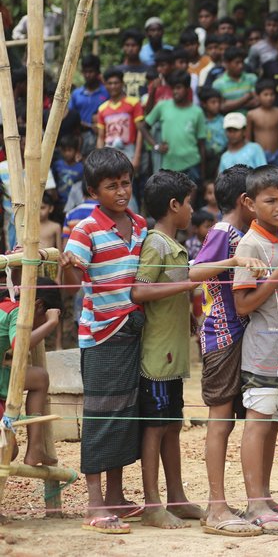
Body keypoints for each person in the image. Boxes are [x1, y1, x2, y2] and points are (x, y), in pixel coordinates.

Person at [61, 148, 148, 534]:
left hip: (133, 330)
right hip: (100, 333)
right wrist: (66, 269)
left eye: (125, 183)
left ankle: (116, 496)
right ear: (94, 191)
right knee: (100, 415)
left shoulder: (141, 224)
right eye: (111, 186)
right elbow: (70, 287)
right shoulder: (86, 229)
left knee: (126, 413)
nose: (121, 191)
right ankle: (94, 503)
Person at [187, 165, 264, 537]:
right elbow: (195, 273)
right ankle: (216, 506)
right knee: (219, 420)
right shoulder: (222, 232)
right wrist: (233, 261)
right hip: (221, 335)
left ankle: (249, 501)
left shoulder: (244, 232)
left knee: (233, 418)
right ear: (245, 201)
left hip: (241, 333)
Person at [231, 166, 278, 535]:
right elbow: (244, 305)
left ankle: (265, 495)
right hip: (261, 351)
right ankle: (255, 503)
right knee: (258, 425)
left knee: (274, 425)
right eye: (270, 200)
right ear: (250, 203)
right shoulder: (251, 244)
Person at [130, 170, 204, 529]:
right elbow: (140, 291)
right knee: (156, 427)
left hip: (173, 351)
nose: (193, 210)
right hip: (158, 354)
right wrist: (185, 286)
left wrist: (189, 312)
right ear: (174, 206)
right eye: (189, 203)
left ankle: (176, 497)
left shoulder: (175, 246)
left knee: (172, 424)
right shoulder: (156, 244)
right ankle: (152, 502)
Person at [0, 278, 61, 466]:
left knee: (39, 378)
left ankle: (35, 449)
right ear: (39, 305)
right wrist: (51, 323)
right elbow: (20, 345)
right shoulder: (17, 310)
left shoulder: (5, 306)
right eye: (46, 315)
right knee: (6, 451)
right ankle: (34, 449)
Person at [139, 70, 207, 181]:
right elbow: (143, 127)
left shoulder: (197, 112)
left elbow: (201, 145)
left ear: (187, 89)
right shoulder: (162, 106)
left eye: (179, 88)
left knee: (189, 198)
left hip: (192, 164)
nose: (175, 91)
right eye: (173, 88)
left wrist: (203, 175)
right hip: (169, 166)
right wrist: (156, 146)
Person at [247, 79, 278, 172]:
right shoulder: (252, 114)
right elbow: (248, 139)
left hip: (277, 154)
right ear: (258, 96)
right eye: (266, 95)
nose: (269, 98)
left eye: (272, 94)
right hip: (259, 155)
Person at [69, 54, 109, 138]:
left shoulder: (107, 92)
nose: (87, 75)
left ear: (98, 72)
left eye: (91, 72)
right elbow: (71, 116)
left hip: (103, 135)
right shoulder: (76, 94)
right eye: (85, 72)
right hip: (80, 137)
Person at [214, 47, 258, 116]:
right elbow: (222, 107)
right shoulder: (218, 84)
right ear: (227, 63)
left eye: (242, 62)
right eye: (237, 63)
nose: (241, 66)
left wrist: (232, 104)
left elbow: (257, 102)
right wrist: (246, 98)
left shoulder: (252, 78)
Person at [198, 87, 226, 178]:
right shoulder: (200, 121)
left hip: (221, 157)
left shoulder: (223, 121)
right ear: (204, 104)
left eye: (218, 102)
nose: (217, 105)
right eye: (213, 102)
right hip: (205, 159)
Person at [115, 29, 150, 99]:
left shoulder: (149, 69)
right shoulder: (117, 70)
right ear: (123, 47)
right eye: (127, 45)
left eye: (133, 45)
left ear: (140, 47)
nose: (130, 49)